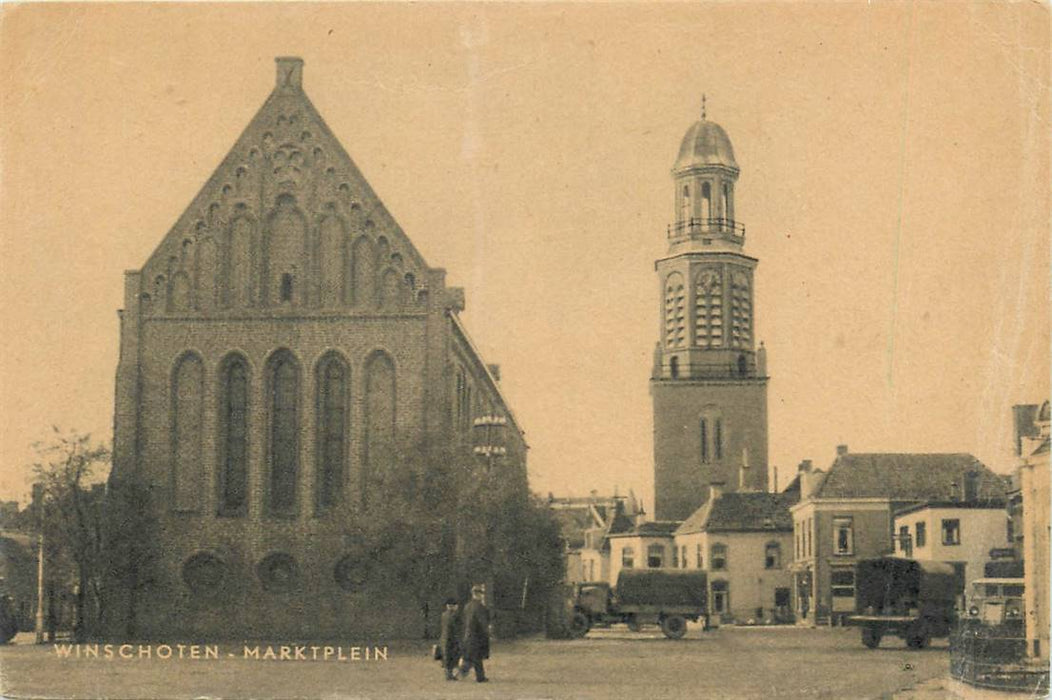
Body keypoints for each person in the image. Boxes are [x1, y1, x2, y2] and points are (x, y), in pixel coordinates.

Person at [459, 584, 491, 683]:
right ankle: (477, 676)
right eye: (481, 593)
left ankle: (476, 675)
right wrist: (488, 632)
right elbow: (483, 622)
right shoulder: (480, 607)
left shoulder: (467, 606)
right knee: (476, 657)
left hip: (468, 634)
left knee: (472, 656)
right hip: (477, 635)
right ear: (478, 594)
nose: (482, 595)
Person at [437, 598, 462, 681]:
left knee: (446, 657)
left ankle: (448, 674)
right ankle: (451, 675)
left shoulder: (444, 615)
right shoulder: (456, 615)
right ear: (454, 606)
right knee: (454, 656)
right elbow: (458, 629)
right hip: (453, 639)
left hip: (444, 638)